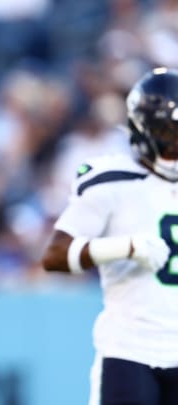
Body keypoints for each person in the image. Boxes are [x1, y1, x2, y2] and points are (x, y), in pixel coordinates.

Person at [41, 67, 178, 405]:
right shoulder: (112, 179)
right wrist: (125, 247)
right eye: (168, 133)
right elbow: (55, 256)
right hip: (129, 350)